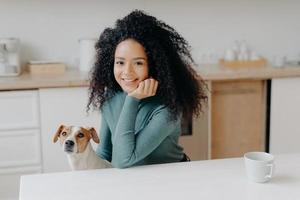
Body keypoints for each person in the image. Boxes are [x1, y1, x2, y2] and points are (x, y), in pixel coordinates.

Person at [87, 10, 207, 169]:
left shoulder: (168, 106)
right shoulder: (110, 96)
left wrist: (132, 99)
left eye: (138, 63)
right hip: (132, 181)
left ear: (154, 66)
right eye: (120, 62)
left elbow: (124, 160)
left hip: (171, 179)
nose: (127, 72)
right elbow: (105, 153)